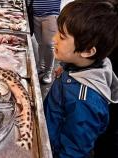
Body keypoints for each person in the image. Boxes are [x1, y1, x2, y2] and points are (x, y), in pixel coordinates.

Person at [43, 1, 118, 157]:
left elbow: (74, 151)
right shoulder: (88, 63)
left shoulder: (83, 102)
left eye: (62, 37)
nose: (55, 38)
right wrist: (64, 67)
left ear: (88, 51)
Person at [27, 0, 61, 84]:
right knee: (41, 43)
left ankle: (48, 72)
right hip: (34, 13)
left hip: (51, 14)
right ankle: (41, 66)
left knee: (49, 44)